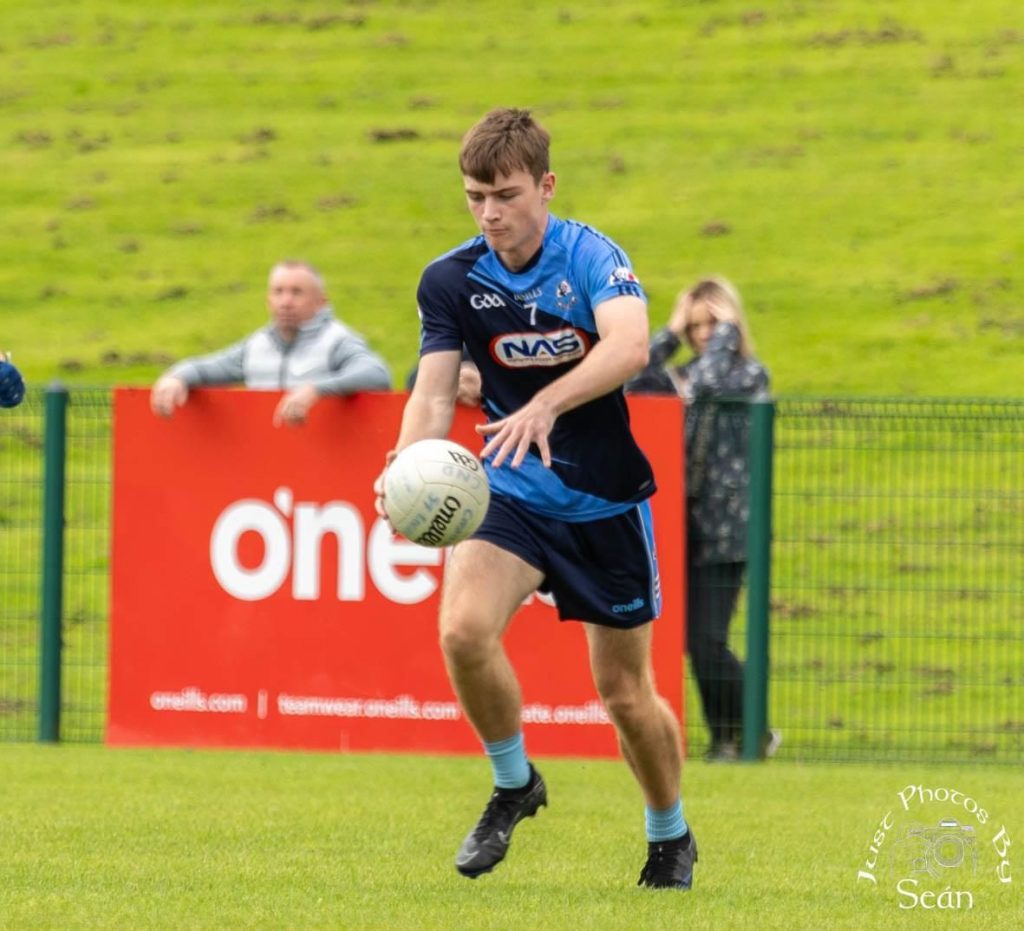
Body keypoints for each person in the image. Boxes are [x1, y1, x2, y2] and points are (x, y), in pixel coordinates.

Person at [374, 108, 696, 890]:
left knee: (624, 695)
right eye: (475, 196)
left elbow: (629, 345)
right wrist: (406, 464)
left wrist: (547, 403)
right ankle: (515, 783)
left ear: (545, 187)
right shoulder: (449, 279)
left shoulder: (592, 257)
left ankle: (669, 833)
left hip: (603, 499)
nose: (490, 212)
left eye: (506, 194)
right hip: (508, 494)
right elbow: (433, 389)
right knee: (461, 630)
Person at [627, 278, 773, 762]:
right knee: (693, 644)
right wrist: (666, 333)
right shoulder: (680, 375)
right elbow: (630, 376)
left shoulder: (750, 376)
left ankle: (752, 728)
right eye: (695, 326)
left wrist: (730, 334)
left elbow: (710, 384)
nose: (704, 334)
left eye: (714, 323)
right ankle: (729, 739)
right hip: (679, 527)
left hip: (729, 532)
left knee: (706, 639)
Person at [150, 260, 391, 425]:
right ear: (268, 300)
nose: (286, 301)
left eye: (297, 292)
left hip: (326, 467)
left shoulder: (337, 340)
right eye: (279, 292)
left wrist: (316, 390)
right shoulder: (257, 344)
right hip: (263, 464)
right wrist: (177, 377)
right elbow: (209, 367)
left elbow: (376, 373)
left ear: (321, 301)